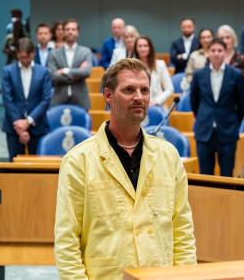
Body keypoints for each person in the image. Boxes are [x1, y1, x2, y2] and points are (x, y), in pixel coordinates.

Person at [54, 58, 196, 278]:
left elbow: (183, 231)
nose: (139, 97)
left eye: (144, 90)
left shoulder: (169, 156)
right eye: (129, 90)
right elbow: (67, 241)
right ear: (108, 96)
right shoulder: (78, 160)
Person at [190, 38, 244, 177]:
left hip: (228, 130)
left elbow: (242, 104)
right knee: (205, 175)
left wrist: (233, 122)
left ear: (225, 53)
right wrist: (204, 118)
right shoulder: (199, 75)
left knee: (227, 174)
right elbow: (194, 101)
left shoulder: (236, 74)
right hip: (204, 131)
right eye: (213, 50)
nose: (216, 53)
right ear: (208, 53)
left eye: (220, 50)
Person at [1, 38, 52, 160]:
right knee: (14, 167)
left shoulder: (43, 71)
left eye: (28, 57)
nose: (25, 60)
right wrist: (19, 125)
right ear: (17, 54)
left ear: (33, 53)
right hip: (14, 127)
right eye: (22, 57)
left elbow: (46, 99)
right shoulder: (7, 71)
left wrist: (28, 121)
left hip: (37, 125)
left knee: (37, 167)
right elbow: (7, 99)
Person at [47, 19, 93, 111]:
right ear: (63, 32)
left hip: (81, 100)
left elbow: (87, 72)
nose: (70, 32)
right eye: (67, 29)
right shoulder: (53, 53)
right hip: (59, 99)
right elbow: (53, 76)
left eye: (73, 29)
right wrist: (77, 73)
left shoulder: (85, 52)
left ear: (78, 32)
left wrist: (65, 71)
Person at [135, 36, 174, 108]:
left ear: (150, 48)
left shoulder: (160, 64)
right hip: (138, 106)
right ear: (136, 49)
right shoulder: (132, 66)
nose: (142, 48)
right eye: (140, 46)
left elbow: (169, 89)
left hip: (157, 106)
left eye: (145, 46)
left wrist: (156, 102)